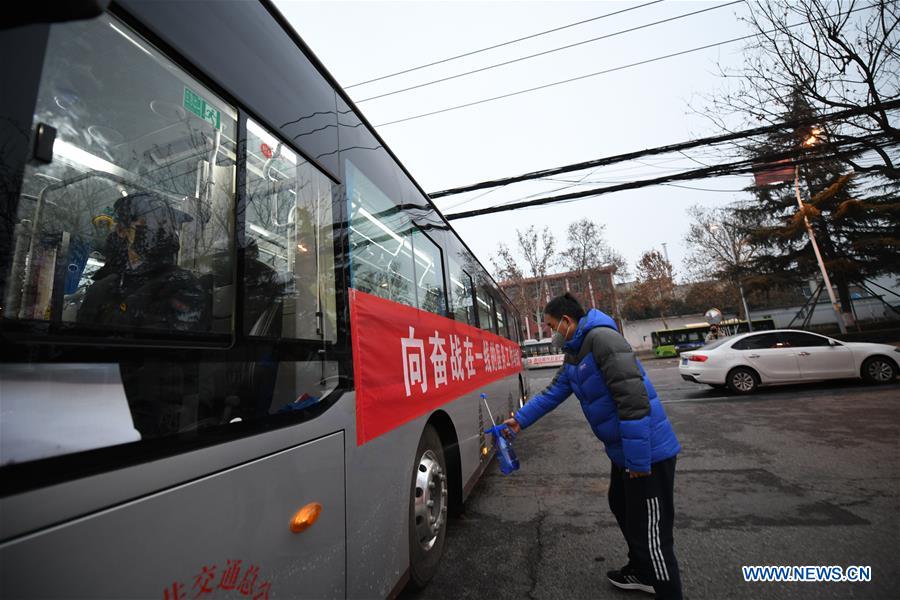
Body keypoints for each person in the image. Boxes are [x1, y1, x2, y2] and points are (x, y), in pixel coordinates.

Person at [503, 292, 683, 599]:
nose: (550, 333)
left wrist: (639, 462)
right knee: (621, 503)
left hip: (646, 453)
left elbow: (634, 401)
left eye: (549, 326)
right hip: (623, 452)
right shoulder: (575, 352)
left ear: (567, 321)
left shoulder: (602, 341)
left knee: (652, 532)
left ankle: (666, 589)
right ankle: (641, 570)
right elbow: (553, 392)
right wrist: (519, 420)